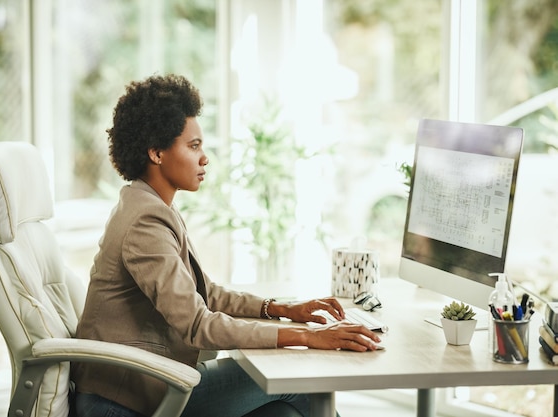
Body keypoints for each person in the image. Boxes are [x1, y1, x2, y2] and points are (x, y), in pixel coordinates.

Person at [71, 74, 382, 417]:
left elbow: (207, 295)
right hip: (126, 399)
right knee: (302, 381)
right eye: (193, 146)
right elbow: (198, 325)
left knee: (284, 414)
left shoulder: (150, 206)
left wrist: (282, 309)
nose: (204, 158)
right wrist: (309, 337)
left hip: (148, 384)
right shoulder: (146, 221)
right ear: (156, 153)